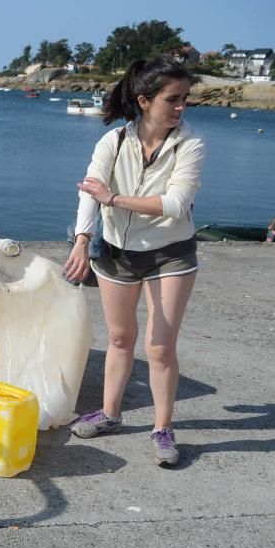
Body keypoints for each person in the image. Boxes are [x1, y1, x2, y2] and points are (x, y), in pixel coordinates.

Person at [64, 55, 206, 467]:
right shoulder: (114, 142)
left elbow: (176, 205)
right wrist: (82, 240)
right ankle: (110, 414)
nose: (181, 108)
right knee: (120, 339)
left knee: (160, 346)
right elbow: (89, 191)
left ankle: (162, 428)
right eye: (173, 100)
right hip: (115, 253)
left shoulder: (190, 143)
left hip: (170, 253)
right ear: (145, 101)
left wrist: (115, 199)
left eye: (185, 100)